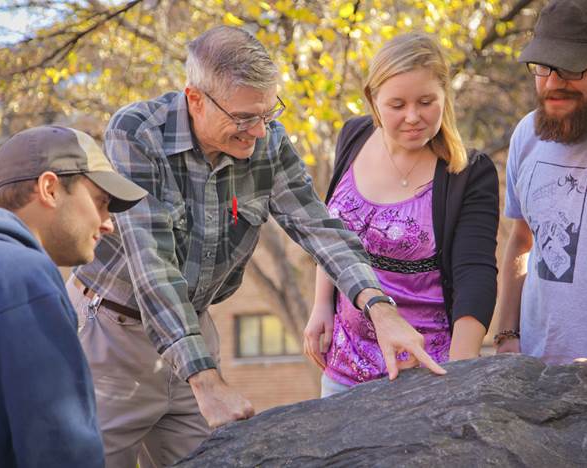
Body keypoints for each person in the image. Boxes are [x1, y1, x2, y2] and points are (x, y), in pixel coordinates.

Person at [67, 25, 447, 468]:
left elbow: (321, 228)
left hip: (194, 332)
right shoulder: (137, 132)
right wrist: (206, 381)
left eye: (267, 114)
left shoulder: (267, 141)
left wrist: (380, 309)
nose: (258, 131)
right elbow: (152, 266)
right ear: (195, 99)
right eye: (244, 118)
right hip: (111, 337)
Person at [303, 33, 499, 396]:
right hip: (342, 369)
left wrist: (459, 373)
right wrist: (320, 306)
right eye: (397, 105)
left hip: (423, 374)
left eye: (426, 102)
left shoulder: (468, 173)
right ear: (373, 101)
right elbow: (332, 230)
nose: (413, 117)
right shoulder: (354, 135)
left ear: (445, 98)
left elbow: (475, 274)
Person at [0, 125, 147, 467]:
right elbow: (59, 443)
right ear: (49, 189)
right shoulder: (22, 278)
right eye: (101, 203)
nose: (108, 224)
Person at [496, 0, 587, 367]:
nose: (553, 84)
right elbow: (522, 240)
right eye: (543, 66)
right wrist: (507, 335)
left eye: (571, 67)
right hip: (533, 376)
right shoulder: (526, 134)